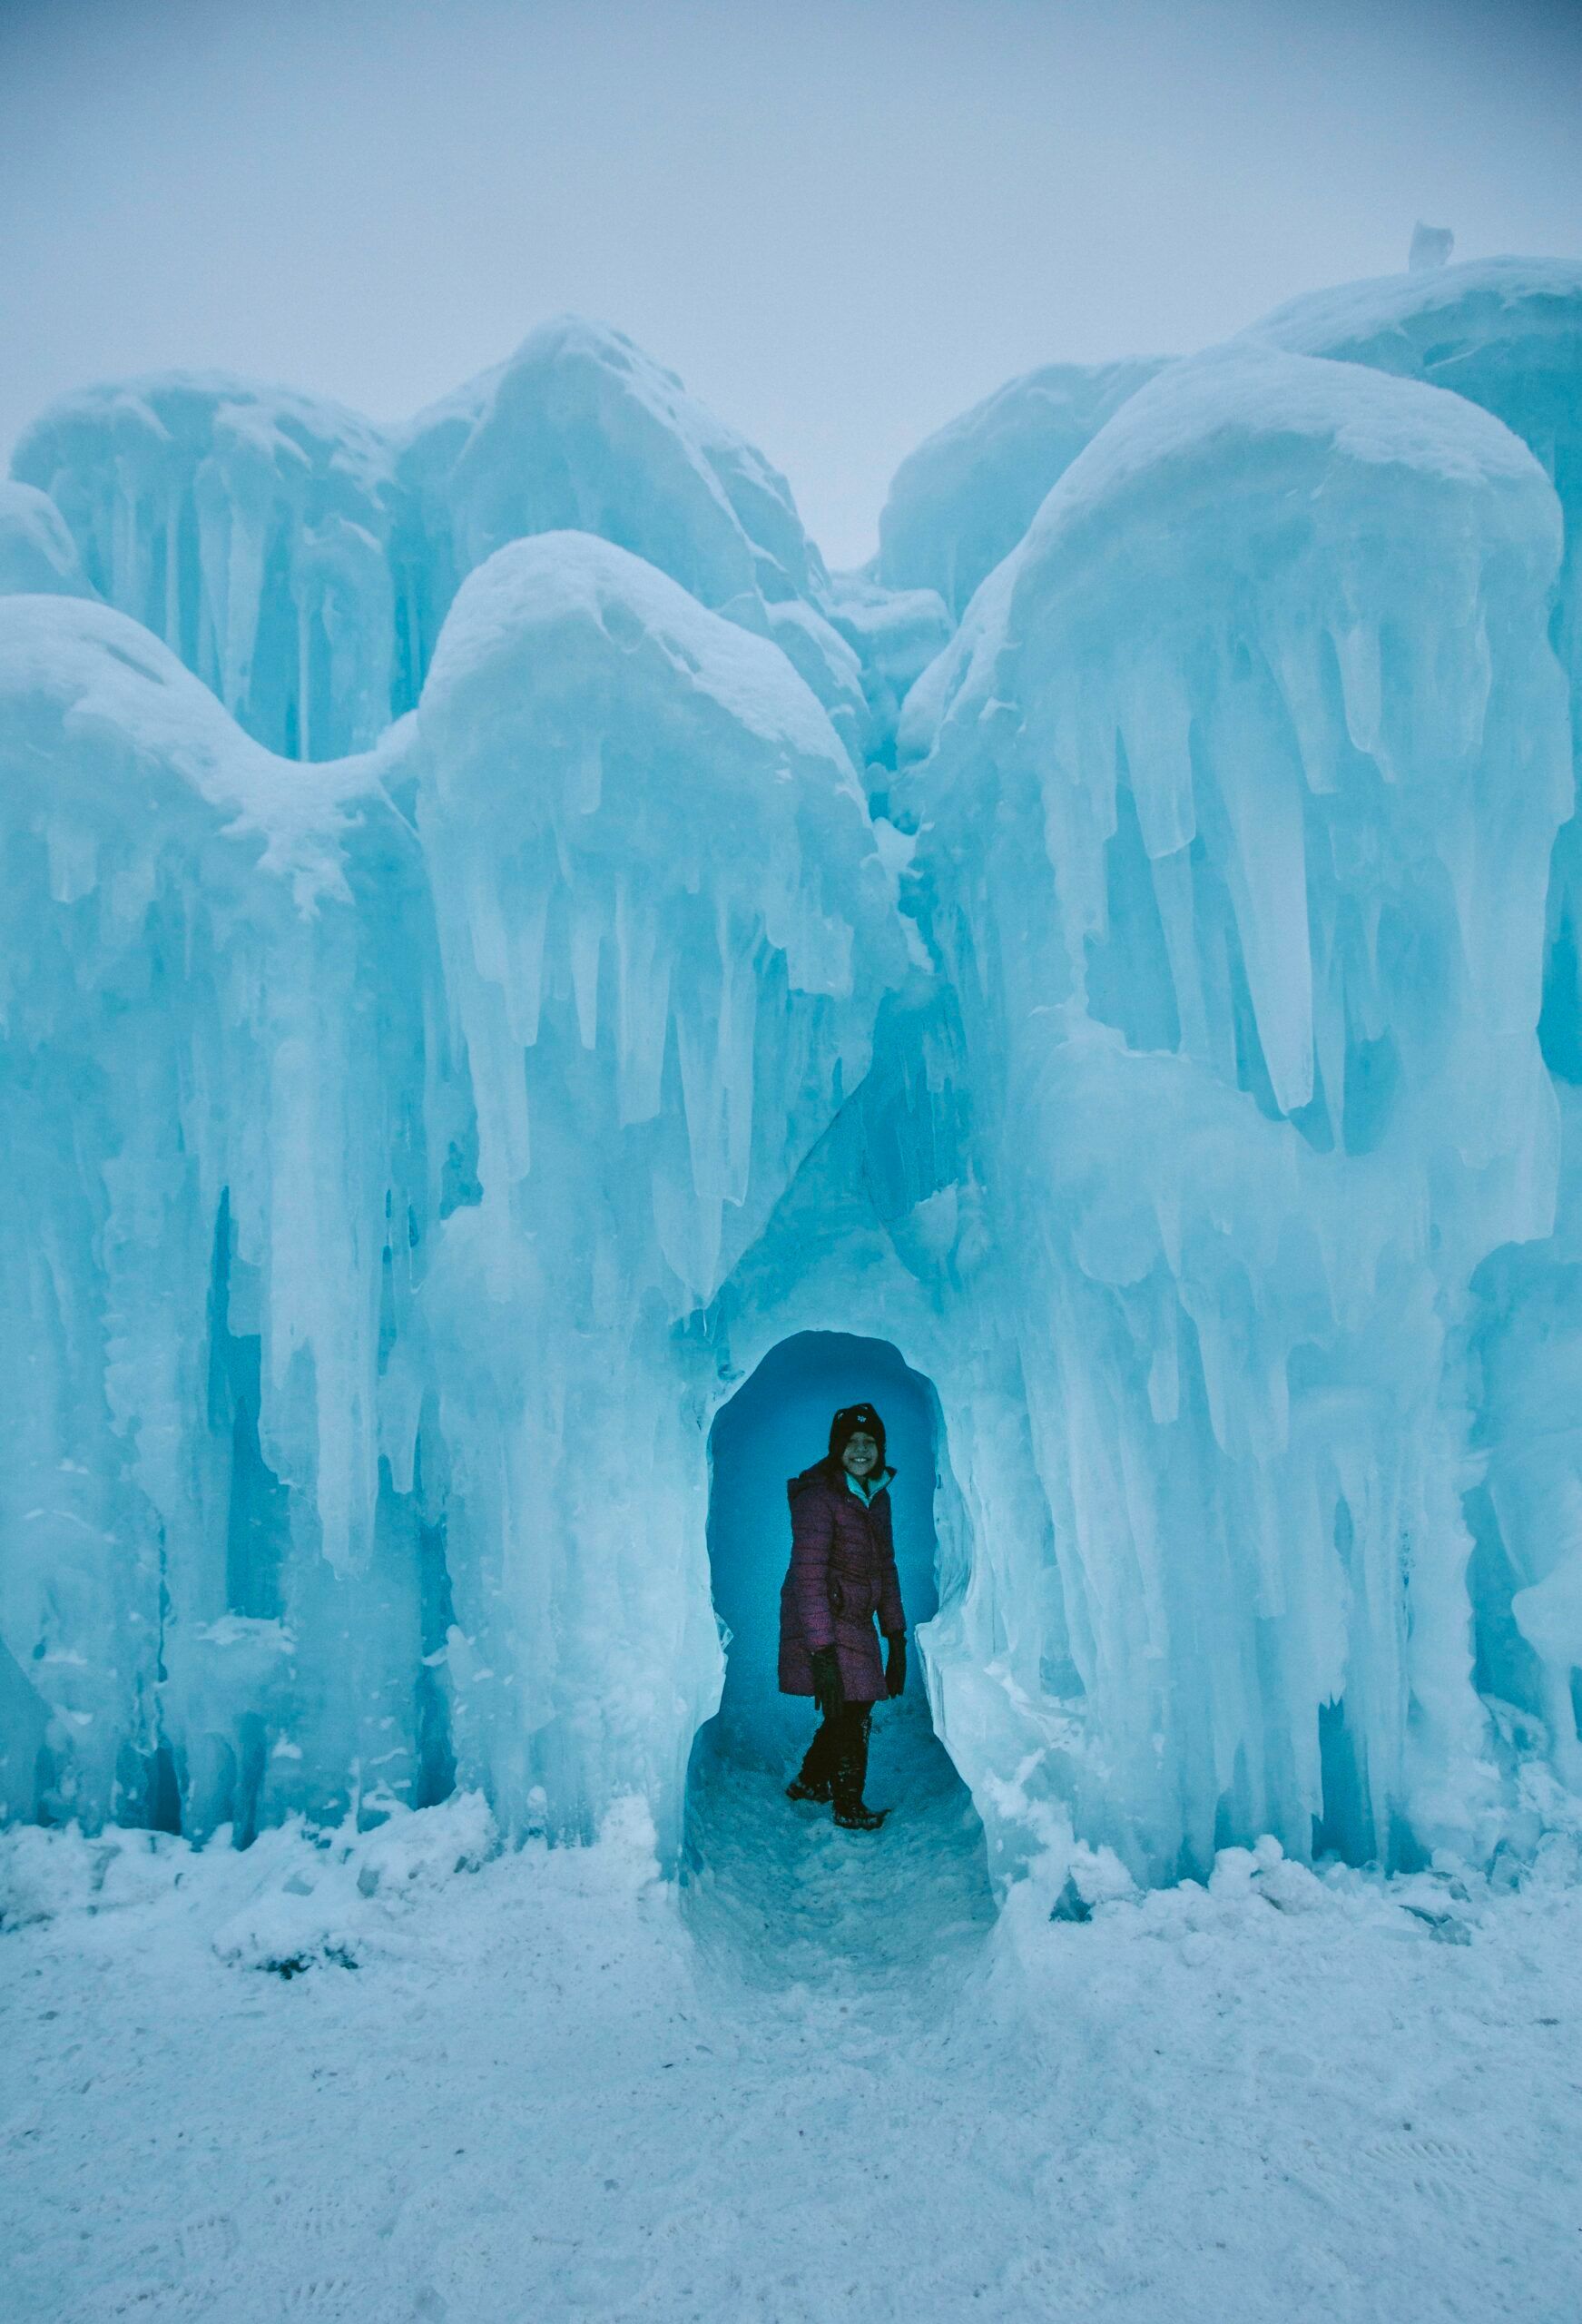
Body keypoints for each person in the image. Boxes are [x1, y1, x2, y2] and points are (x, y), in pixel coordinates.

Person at [778, 1403, 908, 1832]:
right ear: (837, 1448)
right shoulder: (820, 1497)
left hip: (855, 1618)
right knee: (852, 1709)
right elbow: (808, 1575)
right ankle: (848, 1804)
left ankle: (812, 1782)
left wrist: (895, 1634)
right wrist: (820, 1651)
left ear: (880, 1449)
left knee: (854, 1705)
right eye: (851, 1442)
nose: (860, 1450)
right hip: (823, 1617)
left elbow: (885, 1565)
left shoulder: (877, 1495)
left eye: (869, 1442)